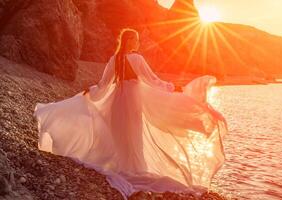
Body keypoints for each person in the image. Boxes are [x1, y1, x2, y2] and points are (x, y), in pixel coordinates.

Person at [34, 28, 228, 199]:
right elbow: (151, 80)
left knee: (120, 134)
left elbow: (103, 85)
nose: (137, 42)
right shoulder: (136, 58)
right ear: (128, 41)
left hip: (117, 102)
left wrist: (90, 93)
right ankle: (134, 169)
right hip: (133, 102)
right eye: (135, 39)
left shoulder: (114, 59)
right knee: (134, 135)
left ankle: (122, 167)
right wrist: (171, 88)